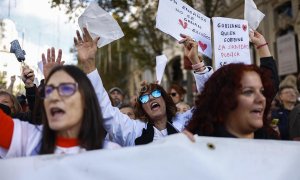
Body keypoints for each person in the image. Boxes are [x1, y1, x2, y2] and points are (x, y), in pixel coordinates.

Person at [75, 27, 213, 146]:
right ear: (142, 109)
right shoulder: (133, 131)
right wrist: (89, 64)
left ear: (165, 99)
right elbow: (105, 110)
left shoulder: (186, 121)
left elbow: (210, 101)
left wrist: (195, 61)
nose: (151, 98)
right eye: (145, 98)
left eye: (156, 94)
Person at [0, 64, 117, 158]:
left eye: (66, 89)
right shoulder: (28, 139)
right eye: (48, 91)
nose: (53, 97)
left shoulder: (111, 155)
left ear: (85, 100)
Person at [185, 31, 279, 139]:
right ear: (225, 100)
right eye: (248, 92)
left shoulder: (272, 146)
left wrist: (262, 46)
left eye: (262, 91)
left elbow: (271, 82)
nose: (262, 98)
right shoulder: (202, 149)